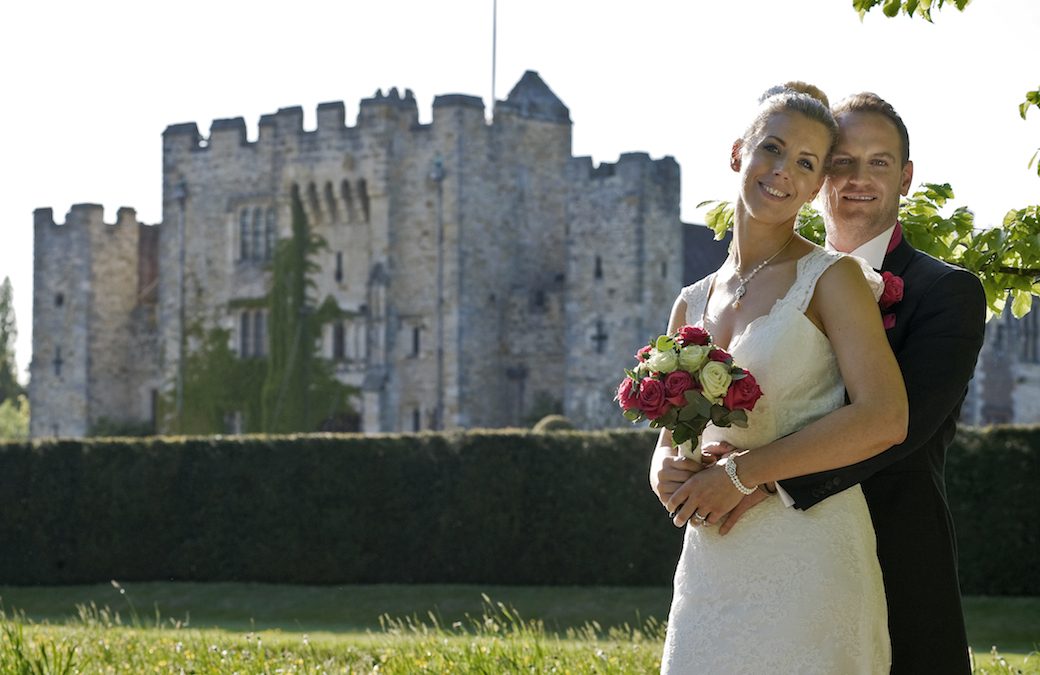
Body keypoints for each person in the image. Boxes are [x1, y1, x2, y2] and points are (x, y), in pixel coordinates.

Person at [654, 92, 986, 675]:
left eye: (878, 162)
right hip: (723, 551)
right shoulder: (696, 297)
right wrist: (668, 469)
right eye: (840, 162)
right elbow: (677, 427)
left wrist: (750, 476)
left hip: (877, 546)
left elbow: (897, 427)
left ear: (906, 178)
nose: (857, 178)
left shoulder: (937, 292)